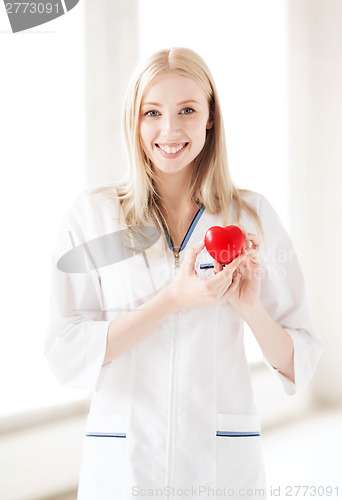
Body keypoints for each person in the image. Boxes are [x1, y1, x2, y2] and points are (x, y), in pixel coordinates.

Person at [45, 47, 324, 500]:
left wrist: (250, 308)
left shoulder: (250, 217)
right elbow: (65, 348)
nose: (169, 130)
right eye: (151, 112)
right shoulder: (94, 218)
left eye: (187, 110)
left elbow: (299, 360)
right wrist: (173, 299)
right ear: (133, 121)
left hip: (218, 467)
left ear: (211, 117)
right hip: (124, 463)